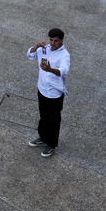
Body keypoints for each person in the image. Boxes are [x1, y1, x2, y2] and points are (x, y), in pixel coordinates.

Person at [26, 28, 70, 158]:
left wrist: (50, 69)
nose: (52, 43)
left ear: (61, 40)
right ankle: (43, 137)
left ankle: (51, 144)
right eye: (51, 40)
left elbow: (63, 71)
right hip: (42, 90)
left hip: (55, 94)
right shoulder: (44, 49)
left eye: (55, 40)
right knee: (43, 117)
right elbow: (30, 55)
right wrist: (36, 46)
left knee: (54, 120)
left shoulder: (65, 55)